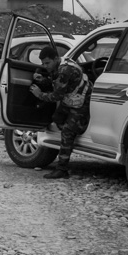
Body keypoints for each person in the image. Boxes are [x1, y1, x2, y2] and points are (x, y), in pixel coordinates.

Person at [29, 45, 91, 179]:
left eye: (47, 63)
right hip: (71, 99)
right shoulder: (61, 64)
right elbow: (57, 83)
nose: (46, 66)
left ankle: (62, 168)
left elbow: (56, 95)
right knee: (56, 118)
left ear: (56, 58)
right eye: (43, 63)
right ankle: (71, 135)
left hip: (80, 102)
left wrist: (39, 94)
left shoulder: (65, 70)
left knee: (67, 132)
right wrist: (43, 80)